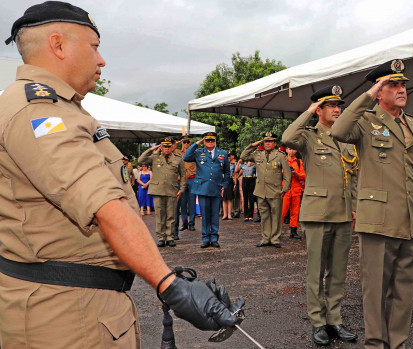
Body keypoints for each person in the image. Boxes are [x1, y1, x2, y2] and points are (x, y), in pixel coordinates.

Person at [0, 2, 242, 348]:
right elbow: (105, 206)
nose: (101, 60)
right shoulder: (38, 112)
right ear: (58, 45)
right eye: (95, 47)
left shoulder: (63, 110)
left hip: (82, 305)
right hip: (66, 318)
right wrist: (169, 285)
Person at [331, 59, 413, 349]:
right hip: (379, 218)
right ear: (380, 90)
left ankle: (397, 343)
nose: (400, 90)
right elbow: (338, 130)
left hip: (410, 218)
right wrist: (369, 94)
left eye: (402, 85)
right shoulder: (365, 121)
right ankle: (376, 344)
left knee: (404, 290)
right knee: (375, 289)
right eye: (392, 85)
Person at [283, 85, 359, 346]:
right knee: (315, 271)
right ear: (319, 109)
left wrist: (356, 205)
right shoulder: (308, 136)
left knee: (338, 272)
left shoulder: (347, 136)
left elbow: (354, 174)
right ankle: (317, 322)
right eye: (331, 105)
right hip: (317, 213)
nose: (337, 109)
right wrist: (308, 111)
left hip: (343, 213)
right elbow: (287, 137)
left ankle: (334, 319)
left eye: (339, 105)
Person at [241, 132, 291, 248]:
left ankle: (275, 239)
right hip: (261, 191)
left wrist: (285, 188)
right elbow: (243, 156)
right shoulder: (257, 154)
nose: (267, 143)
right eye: (265, 141)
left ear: (274, 143)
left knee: (276, 215)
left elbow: (287, 174)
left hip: (275, 191)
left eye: (270, 141)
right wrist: (253, 145)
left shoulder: (280, 155)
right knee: (264, 216)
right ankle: (265, 238)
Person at [184, 132, 230, 248]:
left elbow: (227, 172)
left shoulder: (222, 154)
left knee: (214, 214)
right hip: (202, 187)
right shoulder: (199, 153)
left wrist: (224, 185)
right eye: (207, 140)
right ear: (204, 142)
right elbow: (186, 157)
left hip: (216, 187)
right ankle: (205, 238)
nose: (210, 142)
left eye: (212, 140)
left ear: (215, 141)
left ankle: (214, 237)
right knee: (205, 214)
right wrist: (196, 143)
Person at [139, 137, 186, 247]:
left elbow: (183, 175)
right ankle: (161, 237)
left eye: (169, 146)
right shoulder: (155, 157)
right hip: (158, 190)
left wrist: (182, 189)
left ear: (172, 147)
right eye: (164, 146)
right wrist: (152, 149)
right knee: (160, 215)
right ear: (161, 146)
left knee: (171, 215)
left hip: (172, 190)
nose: (166, 148)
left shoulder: (178, 159)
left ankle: (170, 237)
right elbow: (141, 160)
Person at [281, 146, 305, 239]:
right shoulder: (282, 161)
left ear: (296, 150)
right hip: (285, 190)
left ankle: (293, 231)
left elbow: (303, 176)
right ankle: (277, 231)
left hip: (296, 190)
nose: (291, 151)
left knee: (295, 212)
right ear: (286, 150)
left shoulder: (299, 162)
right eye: (289, 149)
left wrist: (296, 173)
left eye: (293, 149)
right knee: (282, 212)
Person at [222, 151, 237, 220]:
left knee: (230, 198)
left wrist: (235, 183)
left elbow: (235, 174)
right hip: (223, 180)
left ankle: (229, 214)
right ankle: (225, 214)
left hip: (230, 180)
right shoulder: (222, 164)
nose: (228, 157)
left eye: (229, 156)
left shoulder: (233, 164)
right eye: (227, 156)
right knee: (224, 198)